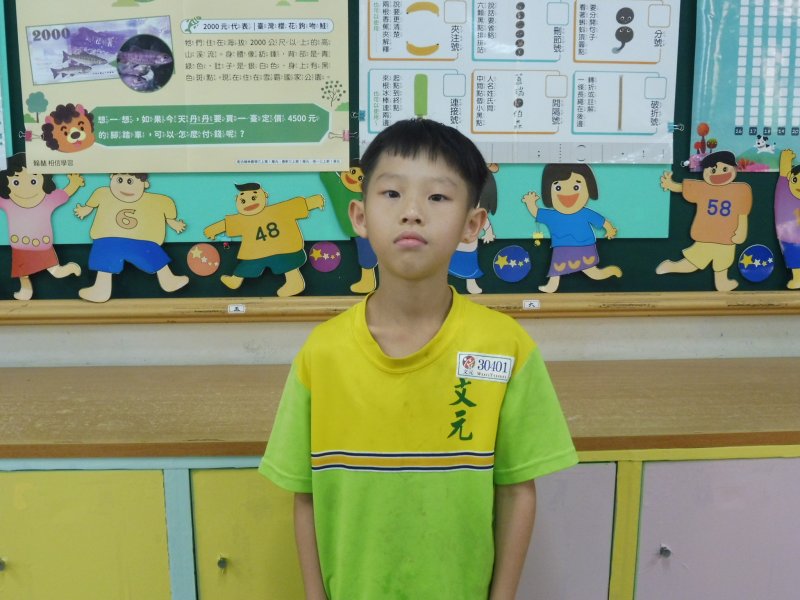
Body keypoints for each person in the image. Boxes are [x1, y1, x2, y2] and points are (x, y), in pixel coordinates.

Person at [259, 118, 578, 599]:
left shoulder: (505, 347)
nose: (412, 213)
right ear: (360, 216)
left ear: (472, 225)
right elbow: (305, 495)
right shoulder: (321, 354)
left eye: (438, 197)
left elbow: (517, 491)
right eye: (391, 194)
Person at [74, 173, 188, 302]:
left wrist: (174, 224)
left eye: (130, 182)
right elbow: (90, 206)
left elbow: (169, 217)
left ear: (145, 184)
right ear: (111, 177)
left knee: (151, 251)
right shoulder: (102, 194)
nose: (124, 187)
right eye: (120, 180)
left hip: (141, 241)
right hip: (109, 240)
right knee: (104, 254)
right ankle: (101, 289)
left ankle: (168, 280)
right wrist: (84, 210)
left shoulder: (158, 201)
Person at [203, 182, 325, 297]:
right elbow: (226, 224)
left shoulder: (279, 209)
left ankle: (295, 283)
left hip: (283, 250)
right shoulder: (242, 219)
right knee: (247, 265)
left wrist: (315, 201)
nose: (249, 203)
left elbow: (300, 205)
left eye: (254, 198)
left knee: (289, 265)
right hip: (257, 253)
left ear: (265, 195)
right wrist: (212, 230)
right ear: (237, 200)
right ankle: (235, 280)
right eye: (243, 200)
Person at [659, 151, 752, 291]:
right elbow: (684, 188)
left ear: (734, 168)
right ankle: (672, 266)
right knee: (694, 263)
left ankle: (722, 283)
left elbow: (742, 212)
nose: (719, 173)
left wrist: (741, 231)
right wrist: (670, 184)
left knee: (723, 263)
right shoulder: (704, 187)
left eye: (724, 169)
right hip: (706, 236)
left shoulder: (741, 190)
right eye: (713, 170)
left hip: (727, 237)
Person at [522, 163, 621, 293]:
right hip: (562, 248)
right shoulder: (552, 215)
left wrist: (610, 229)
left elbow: (602, 222)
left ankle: (610, 271)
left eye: (576, 187)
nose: (567, 193)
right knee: (556, 270)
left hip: (584, 246)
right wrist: (530, 202)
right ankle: (552, 286)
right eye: (558, 187)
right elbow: (536, 212)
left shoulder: (585, 213)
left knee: (593, 273)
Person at [0, 153, 83, 300]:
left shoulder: (47, 200)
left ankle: (66, 269)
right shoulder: (7, 203)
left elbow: (64, 194)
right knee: (23, 273)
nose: (25, 188)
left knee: (55, 270)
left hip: (42, 245)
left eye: (33, 181)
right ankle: (26, 291)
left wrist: (74, 183)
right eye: (16, 182)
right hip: (20, 246)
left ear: (44, 181)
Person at [775, 149, 800, 289]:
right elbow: (784, 177)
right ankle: (797, 278)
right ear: (791, 177)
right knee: (794, 258)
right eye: (796, 180)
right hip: (790, 238)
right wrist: (786, 159)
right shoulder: (786, 191)